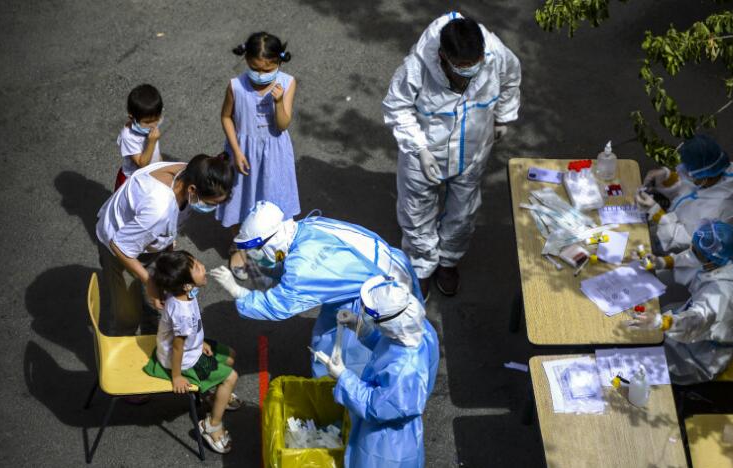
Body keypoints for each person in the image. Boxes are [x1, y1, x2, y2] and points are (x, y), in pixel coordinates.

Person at [383, 12, 521, 298]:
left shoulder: (495, 54)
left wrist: (502, 118)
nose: (470, 72)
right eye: (462, 67)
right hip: (425, 152)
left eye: (475, 64)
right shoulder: (416, 67)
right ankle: (421, 266)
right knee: (416, 211)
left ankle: (448, 261)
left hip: (473, 149)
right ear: (443, 57)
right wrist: (420, 149)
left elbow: (510, 80)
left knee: (463, 212)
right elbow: (397, 107)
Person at [209, 200, 422, 377]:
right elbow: (289, 262)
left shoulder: (303, 269)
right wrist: (268, 268)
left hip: (374, 300)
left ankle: (337, 395)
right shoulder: (306, 227)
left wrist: (237, 291)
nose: (255, 252)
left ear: (272, 240)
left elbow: (277, 305)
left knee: (341, 355)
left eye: (257, 247)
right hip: (390, 271)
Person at [96, 154, 234, 335]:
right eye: (211, 203)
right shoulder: (158, 210)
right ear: (192, 189)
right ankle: (120, 342)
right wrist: (150, 283)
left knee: (155, 295)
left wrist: (166, 251)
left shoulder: (191, 172)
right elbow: (119, 246)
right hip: (118, 248)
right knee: (128, 317)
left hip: (145, 239)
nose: (213, 208)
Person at [313, 275, 439, 468]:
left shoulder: (405, 371)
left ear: (388, 322)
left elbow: (375, 406)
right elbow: (388, 345)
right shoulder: (415, 328)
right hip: (392, 426)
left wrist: (343, 377)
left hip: (385, 446)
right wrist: (358, 325)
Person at [628, 220, 733, 384]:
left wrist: (661, 322)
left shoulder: (723, 295)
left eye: (699, 253)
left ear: (716, 260)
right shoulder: (732, 256)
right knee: (651, 325)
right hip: (701, 325)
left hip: (702, 354)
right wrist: (663, 262)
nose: (693, 253)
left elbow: (698, 320)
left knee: (642, 361)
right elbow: (695, 256)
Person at [216, 32, 300, 281]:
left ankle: (275, 246)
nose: (261, 75)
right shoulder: (236, 86)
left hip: (275, 156)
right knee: (240, 200)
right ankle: (239, 247)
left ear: (279, 63)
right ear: (246, 60)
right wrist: (236, 151)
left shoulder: (287, 83)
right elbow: (226, 117)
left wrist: (278, 102)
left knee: (274, 201)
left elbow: (282, 124)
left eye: (268, 69)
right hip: (243, 153)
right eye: (255, 69)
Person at [143, 250, 240, 454]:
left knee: (230, 355)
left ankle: (214, 397)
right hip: (185, 361)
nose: (202, 266)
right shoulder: (183, 314)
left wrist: (200, 341)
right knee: (231, 377)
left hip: (192, 346)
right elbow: (178, 347)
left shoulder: (181, 293)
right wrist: (176, 376)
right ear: (187, 285)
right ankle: (211, 425)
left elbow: (186, 335)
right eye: (196, 267)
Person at [636, 134, 733, 254]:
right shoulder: (713, 171)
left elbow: (684, 243)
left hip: (683, 254)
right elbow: (687, 189)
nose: (682, 172)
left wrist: (656, 213)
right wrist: (666, 178)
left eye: (687, 171)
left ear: (705, 177)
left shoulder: (718, 211)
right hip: (672, 222)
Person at [115, 84, 164, 190]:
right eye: (147, 122)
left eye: (157, 119)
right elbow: (142, 164)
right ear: (132, 118)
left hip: (152, 173)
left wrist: (160, 164)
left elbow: (155, 151)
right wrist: (151, 142)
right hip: (135, 180)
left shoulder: (150, 124)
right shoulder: (128, 137)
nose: (153, 125)